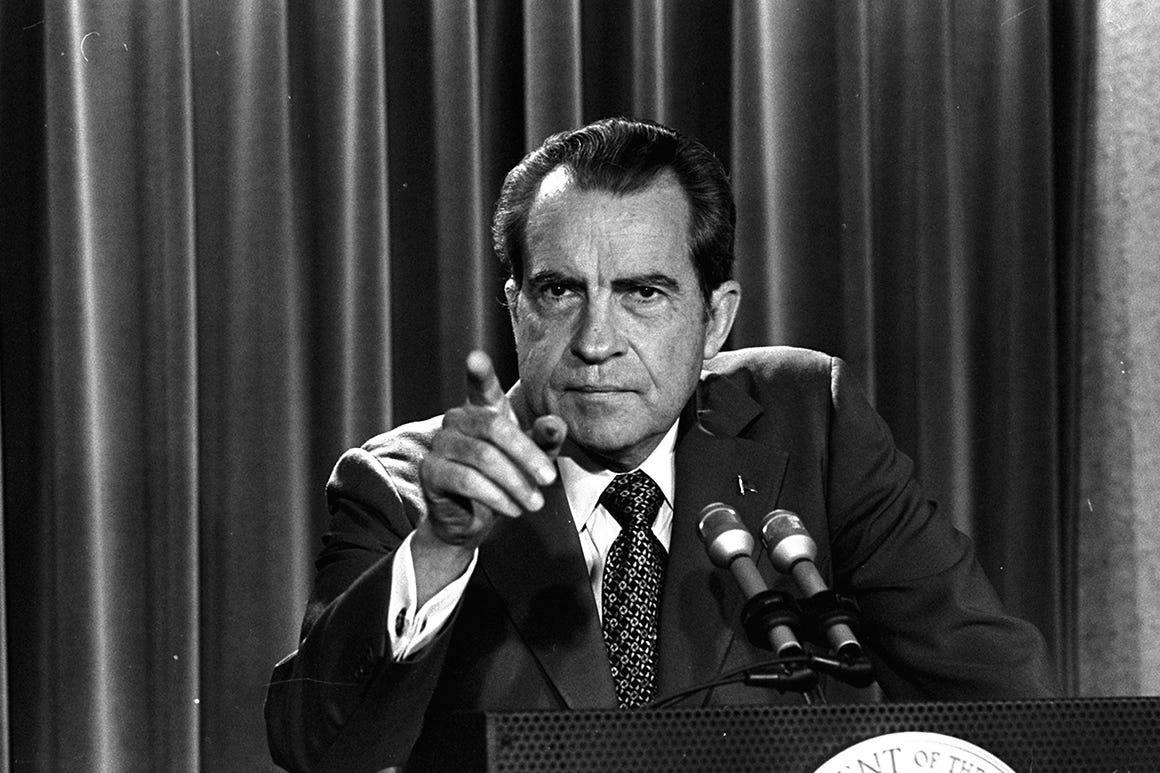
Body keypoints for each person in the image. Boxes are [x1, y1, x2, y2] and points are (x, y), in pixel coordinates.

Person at [265, 117, 1057, 771]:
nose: (595, 341)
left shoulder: (812, 421)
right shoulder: (406, 486)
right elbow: (318, 749)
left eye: (642, 292)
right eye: (560, 291)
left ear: (715, 319)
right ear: (515, 310)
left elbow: (1008, 701)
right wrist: (441, 546)